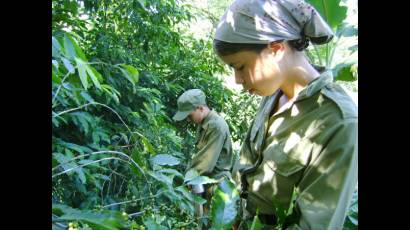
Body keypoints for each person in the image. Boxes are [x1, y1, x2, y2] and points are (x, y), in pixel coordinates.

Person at [212, 0, 358, 229]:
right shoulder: (272, 96)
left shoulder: (339, 122)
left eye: (240, 67)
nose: (237, 80)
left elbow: (314, 223)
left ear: (276, 49)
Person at [173, 89, 234, 218]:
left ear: (200, 108)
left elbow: (205, 163)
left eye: (189, 115)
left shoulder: (216, 126)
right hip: (206, 185)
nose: (189, 120)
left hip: (217, 188)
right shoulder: (204, 124)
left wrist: (187, 179)